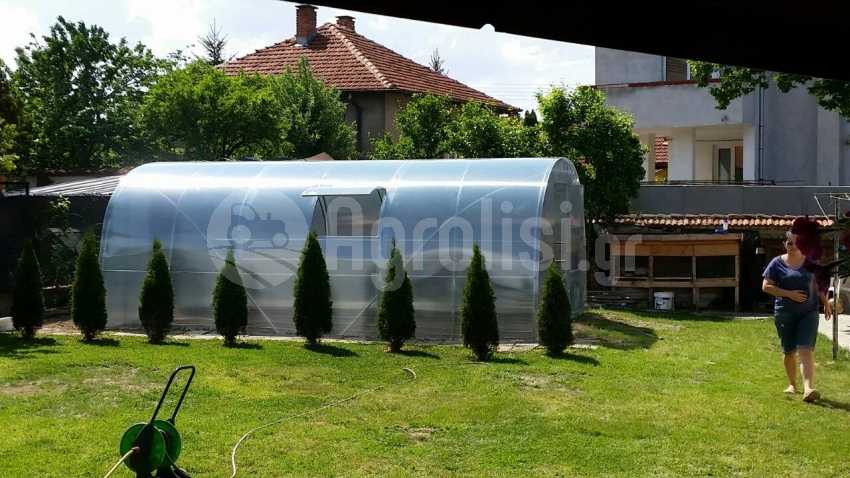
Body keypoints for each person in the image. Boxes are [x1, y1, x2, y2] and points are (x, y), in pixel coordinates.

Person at [762, 230, 832, 402]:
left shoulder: (811, 262)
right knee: (789, 351)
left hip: (809, 312)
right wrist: (789, 294)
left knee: (805, 349)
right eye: (789, 243)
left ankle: (808, 389)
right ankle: (792, 384)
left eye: (796, 243)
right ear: (784, 244)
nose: (792, 246)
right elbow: (766, 286)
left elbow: (818, 284)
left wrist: (825, 302)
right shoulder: (776, 263)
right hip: (785, 313)